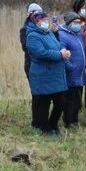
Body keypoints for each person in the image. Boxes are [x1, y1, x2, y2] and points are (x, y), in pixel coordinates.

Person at [26, 8, 70, 136]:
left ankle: (53, 125)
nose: (45, 22)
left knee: (61, 102)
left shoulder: (49, 33)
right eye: (42, 20)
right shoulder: (32, 36)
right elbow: (41, 53)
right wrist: (60, 55)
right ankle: (45, 129)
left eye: (46, 19)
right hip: (43, 75)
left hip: (55, 75)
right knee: (44, 104)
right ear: (35, 21)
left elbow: (57, 45)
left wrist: (64, 51)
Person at [57, 11, 86, 129]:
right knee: (70, 101)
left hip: (81, 75)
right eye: (75, 22)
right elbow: (62, 53)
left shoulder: (79, 35)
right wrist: (70, 67)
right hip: (70, 75)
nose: (78, 24)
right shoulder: (62, 35)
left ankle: (75, 120)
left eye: (79, 22)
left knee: (78, 101)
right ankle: (69, 122)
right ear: (69, 23)